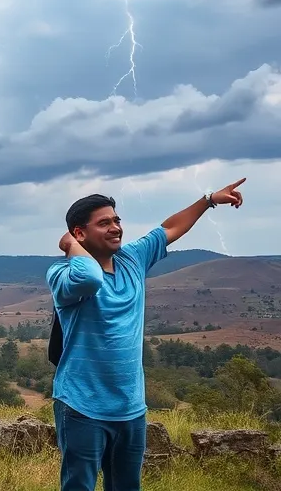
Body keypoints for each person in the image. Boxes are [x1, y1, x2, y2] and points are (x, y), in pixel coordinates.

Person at [48, 179, 246, 491]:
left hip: (130, 407)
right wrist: (71, 247)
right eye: (104, 223)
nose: (115, 228)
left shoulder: (132, 259)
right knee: (78, 486)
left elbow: (169, 228)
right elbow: (89, 278)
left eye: (117, 220)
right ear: (80, 232)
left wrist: (208, 199)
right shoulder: (62, 274)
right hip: (82, 404)